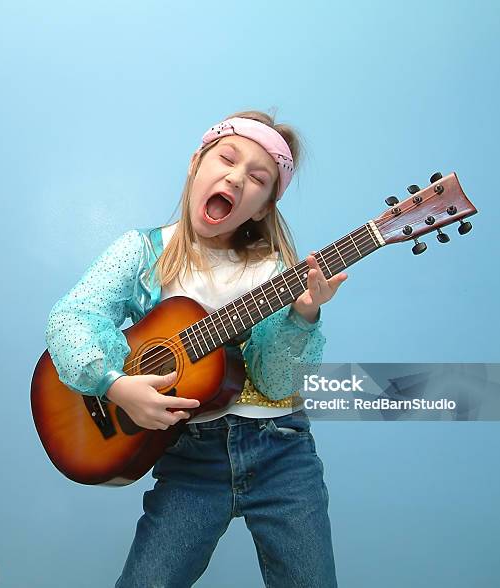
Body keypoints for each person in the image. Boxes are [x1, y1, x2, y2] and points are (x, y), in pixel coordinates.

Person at [45, 110, 348, 587]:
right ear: (195, 164)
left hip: (282, 455)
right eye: (227, 158)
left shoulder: (274, 275)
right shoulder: (143, 252)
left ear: (265, 206)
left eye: (258, 177)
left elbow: (274, 381)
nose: (236, 176)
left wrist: (303, 315)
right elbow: (72, 318)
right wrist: (115, 384)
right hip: (189, 458)